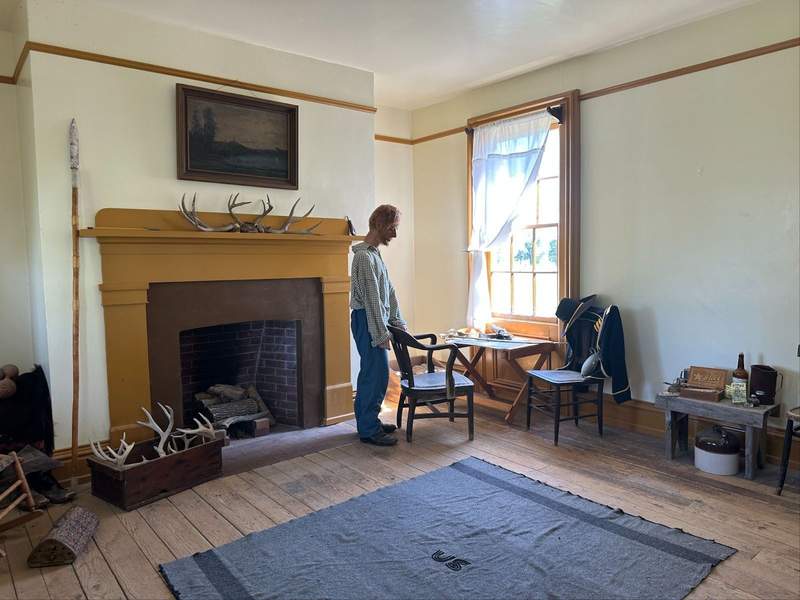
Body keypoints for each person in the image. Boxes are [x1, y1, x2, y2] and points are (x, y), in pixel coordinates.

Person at [350, 204, 406, 446]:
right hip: (367, 320)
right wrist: (380, 333)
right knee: (375, 375)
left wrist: (397, 320)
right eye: (392, 228)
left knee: (376, 374)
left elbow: (388, 291)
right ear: (380, 225)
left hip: (375, 320)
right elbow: (372, 301)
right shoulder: (363, 257)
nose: (394, 234)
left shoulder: (374, 254)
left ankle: (369, 421)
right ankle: (368, 429)